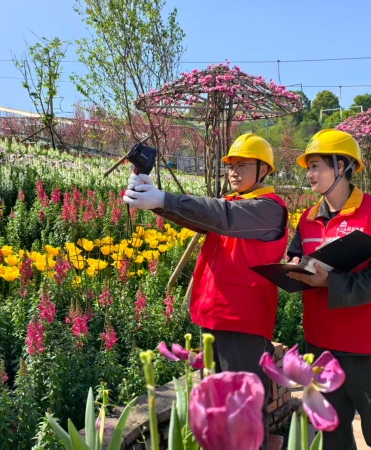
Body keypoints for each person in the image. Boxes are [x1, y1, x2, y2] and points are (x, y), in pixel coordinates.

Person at [123, 133, 288, 448]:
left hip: (243, 324)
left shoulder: (268, 210)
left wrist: (163, 199)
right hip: (214, 319)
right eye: (231, 165)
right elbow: (201, 216)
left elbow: (220, 216)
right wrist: (155, 200)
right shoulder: (234, 203)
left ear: (264, 170)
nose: (234, 172)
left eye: (243, 165)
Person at [286, 129, 371, 450]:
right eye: (308, 167)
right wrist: (293, 266)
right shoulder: (307, 219)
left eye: (316, 166)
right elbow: (296, 255)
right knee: (332, 438)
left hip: (367, 350)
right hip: (320, 346)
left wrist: (331, 282)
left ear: (341, 166)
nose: (309, 174)